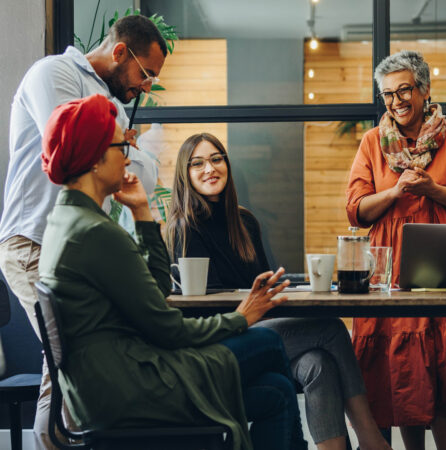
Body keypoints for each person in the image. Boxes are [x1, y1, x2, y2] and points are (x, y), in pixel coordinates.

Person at [37, 94, 306, 450]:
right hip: (131, 387)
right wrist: (241, 318)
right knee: (268, 341)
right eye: (122, 145)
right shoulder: (94, 233)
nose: (128, 156)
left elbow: (157, 290)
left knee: (278, 391)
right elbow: (167, 327)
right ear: (95, 159)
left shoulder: (66, 222)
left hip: (102, 387)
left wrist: (143, 214)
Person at [0, 15, 168, 449]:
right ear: (119, 52)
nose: (147, 86)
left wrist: (122, 149)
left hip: (75, 247)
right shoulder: (54, 73)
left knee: (70, 356)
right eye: (145, 73)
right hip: (34, 239)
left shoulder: (106, 96)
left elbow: (141, 179)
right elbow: (69, 151)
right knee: (69, 355)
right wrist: (122, 145)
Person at [167, 133, 390, 450]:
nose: (209, 168)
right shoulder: (184, 227)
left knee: (318, 364)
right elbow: (207, 309)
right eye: (197, 163)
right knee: (331, 329)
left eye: (216, 159)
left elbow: (264, 289)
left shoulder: (245, 221)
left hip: (259, 328)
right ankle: (370, 437)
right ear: (185, 174)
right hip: (223, 340)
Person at [345, 50, 446, 450]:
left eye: (404, 91)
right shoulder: (372, 142)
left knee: (443, 363)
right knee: (398, 368)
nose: (396, 102)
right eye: (388, 94)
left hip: (444, 258)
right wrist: (395, 192)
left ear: (424, 90)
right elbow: (356, 210)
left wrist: (432, 189)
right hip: (388, 265)